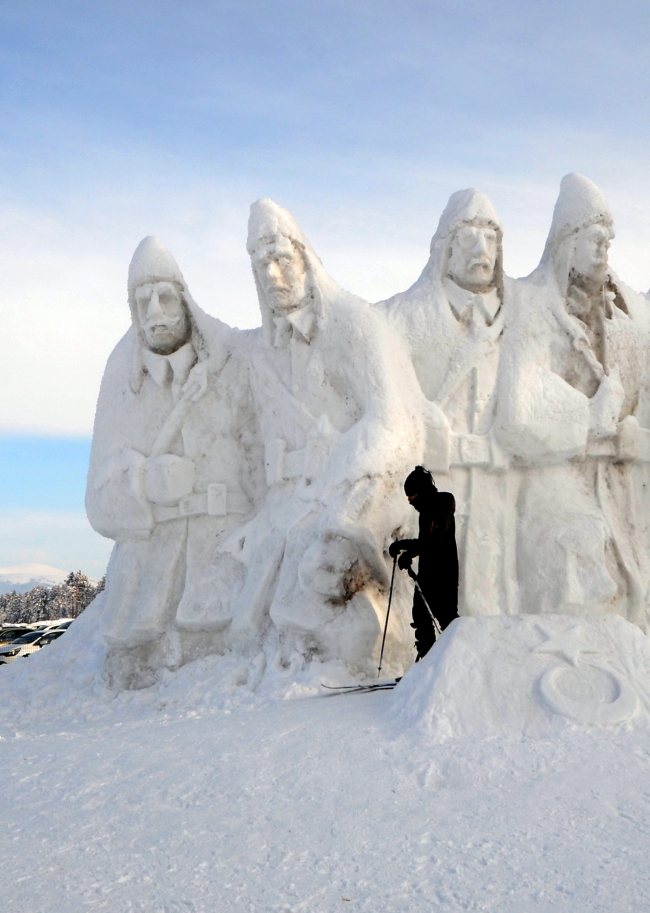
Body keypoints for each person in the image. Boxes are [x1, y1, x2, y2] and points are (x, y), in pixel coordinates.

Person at [228, 198, 428, 670]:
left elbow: (393, 423)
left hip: (361, 492)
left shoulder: (356, 325)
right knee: (245, 599)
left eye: (282, 261)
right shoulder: (264, 353)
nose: (273, 276)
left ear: (304, 258)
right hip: (287, 504)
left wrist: (338, 476)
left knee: (319, 571)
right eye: (262, 267)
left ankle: (364, 647)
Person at [86, 237, 263, 684]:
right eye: (141, 302)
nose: (154, 312)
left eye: (164, 296)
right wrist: (144, 483)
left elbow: (262, 451)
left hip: (223, 556)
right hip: (147, 581)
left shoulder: (233, 359)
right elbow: (97, 500)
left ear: (185, 299)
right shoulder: (119, 377)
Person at [376, 189, 517, 618]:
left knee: (492, 578)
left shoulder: (517, 319)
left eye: (490, 239)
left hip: (497, 487)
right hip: (447, 467)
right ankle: (435, 665)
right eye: (468, 237)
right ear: (445, 247)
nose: (481, 250)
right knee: (439, 595)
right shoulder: (401, 319)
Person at [389, 466, 459, 660]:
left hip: (444, 575)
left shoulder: (441, 507)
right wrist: (402, 545)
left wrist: (410, 552)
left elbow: (435, 540)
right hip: (427, 574)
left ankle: (456, 663)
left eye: (413, 495)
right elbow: (425, 541)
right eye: (409, 497)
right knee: (421, 616)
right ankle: (426, 664)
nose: (410, 501)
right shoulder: (426, 512)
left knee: (447, 621)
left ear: (423, 490)